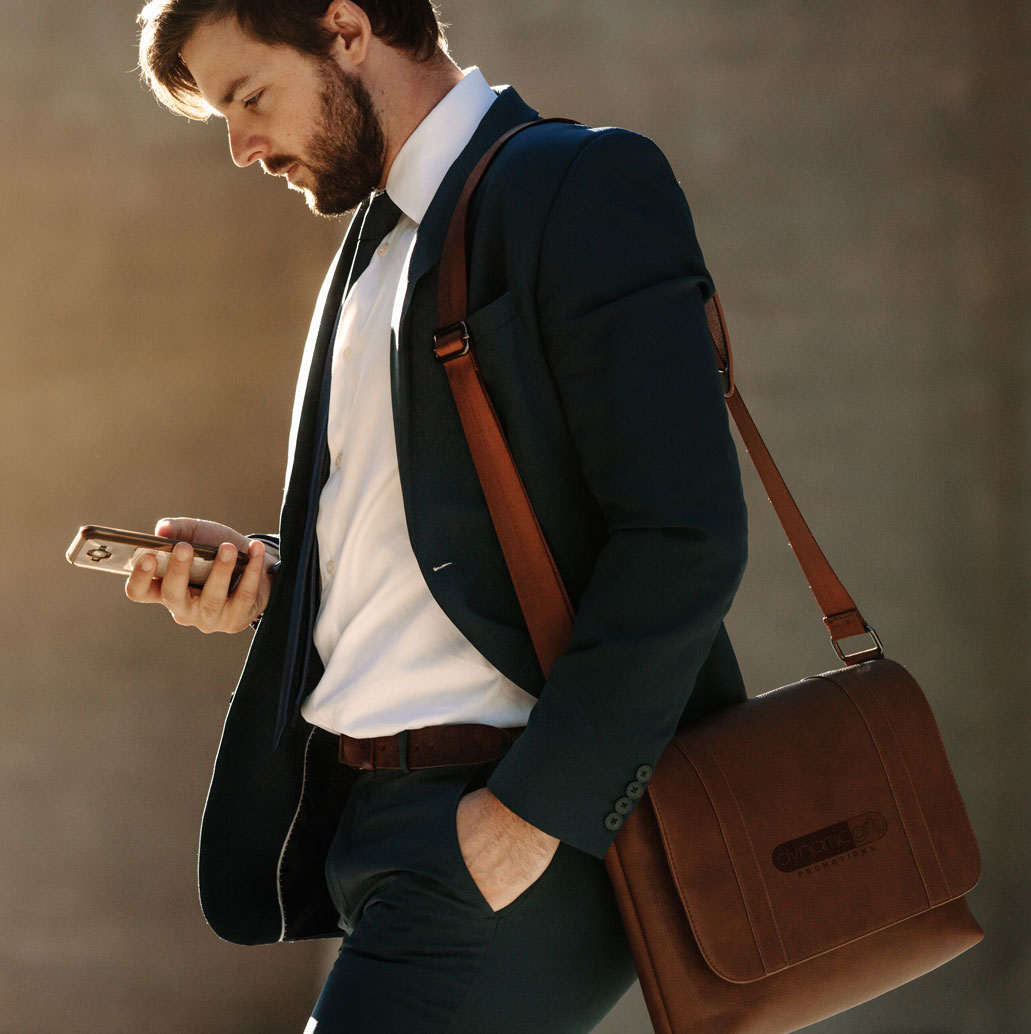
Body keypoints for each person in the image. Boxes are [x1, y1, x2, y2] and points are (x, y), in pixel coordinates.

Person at [128, 1, 749, 1031]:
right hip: (373, 824)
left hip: (510, 811)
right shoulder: (369, 252)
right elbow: (446, 545)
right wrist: (271, 584)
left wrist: (529, 815)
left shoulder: (573, 185)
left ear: (345, 25)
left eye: (249, 99)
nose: (240, 148)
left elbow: (682, 533)